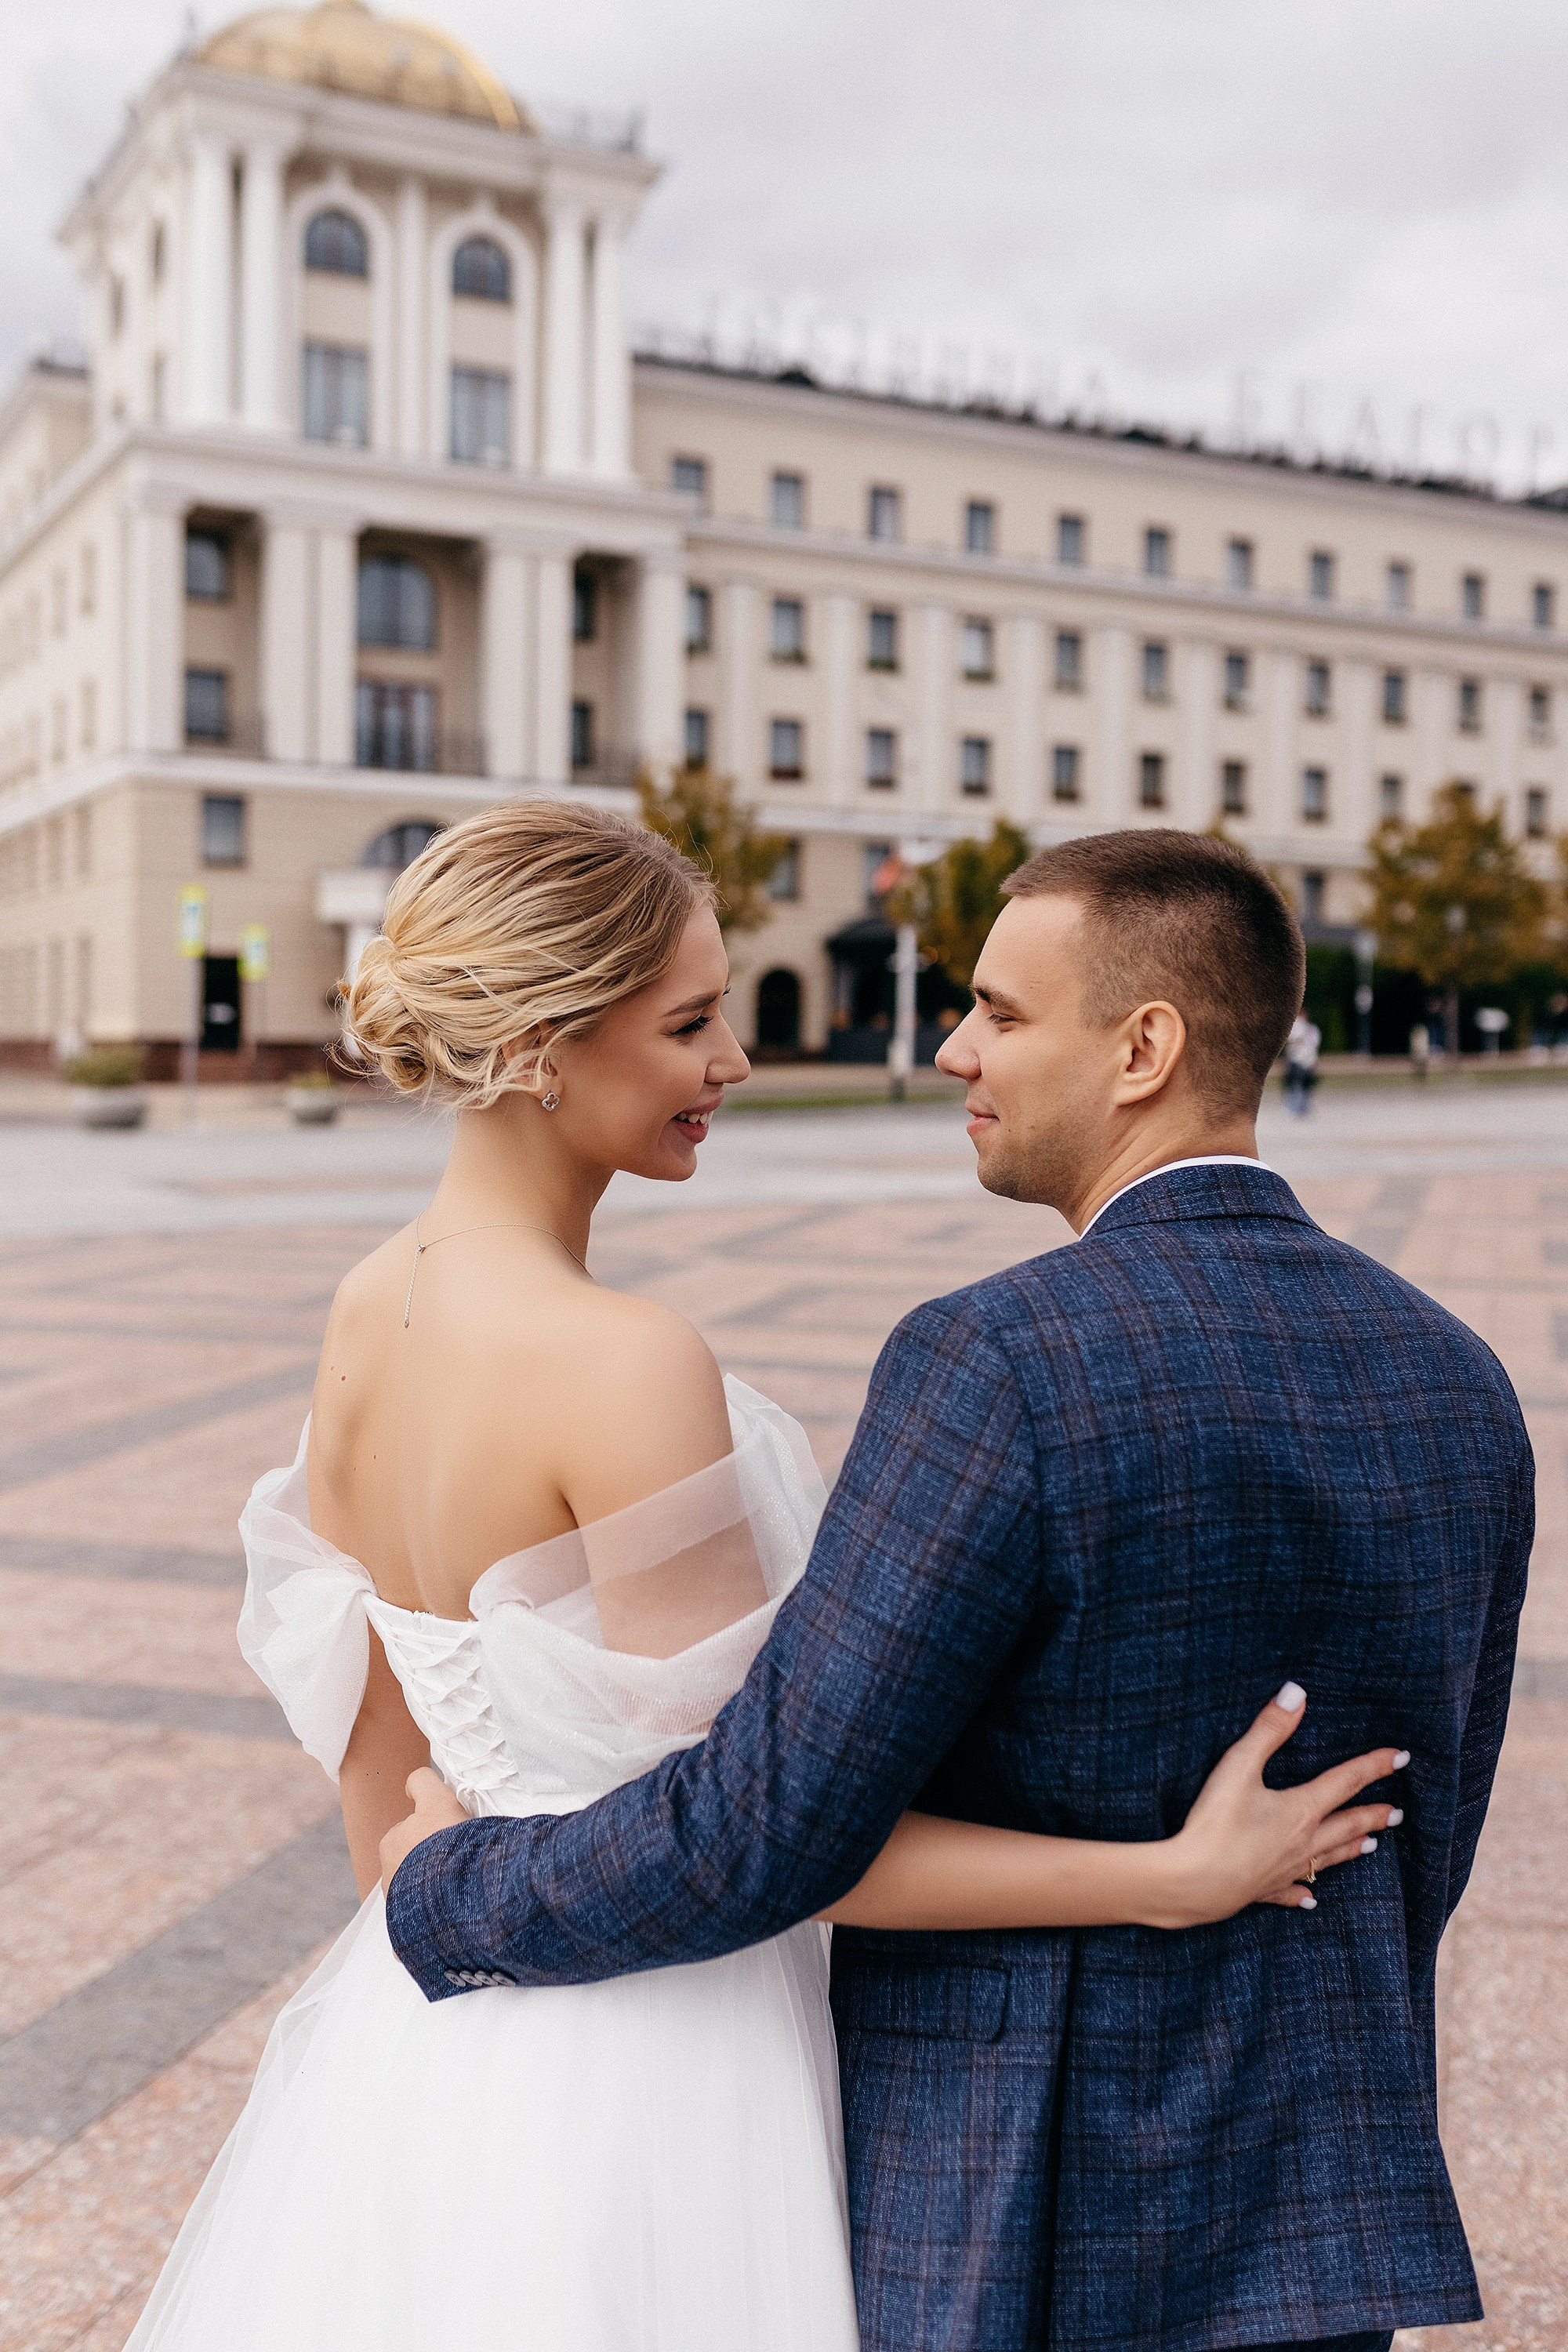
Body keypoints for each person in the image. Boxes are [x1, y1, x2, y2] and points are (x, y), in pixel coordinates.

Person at [123, 807, 1397, 2352]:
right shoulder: (621, 1363)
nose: (733, 1061)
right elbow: (775, 1837)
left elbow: (380, 1778)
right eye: (689, 1025)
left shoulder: (364, 1310)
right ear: (538, 1046)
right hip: (662, 2054)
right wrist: (1166, 1877)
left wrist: (441, 1958)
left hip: (427, 2039)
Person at [1283, 1007, 1321, 1114]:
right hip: (1296, 1061)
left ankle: (1305, 1108)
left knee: (1307, 1086)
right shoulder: (1295, 1028)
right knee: (1296, 1085)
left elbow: (1314, 1046)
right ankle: (1294, 1108)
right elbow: (1292, 1043)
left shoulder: (1312, 1029)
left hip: (1308, 1061)